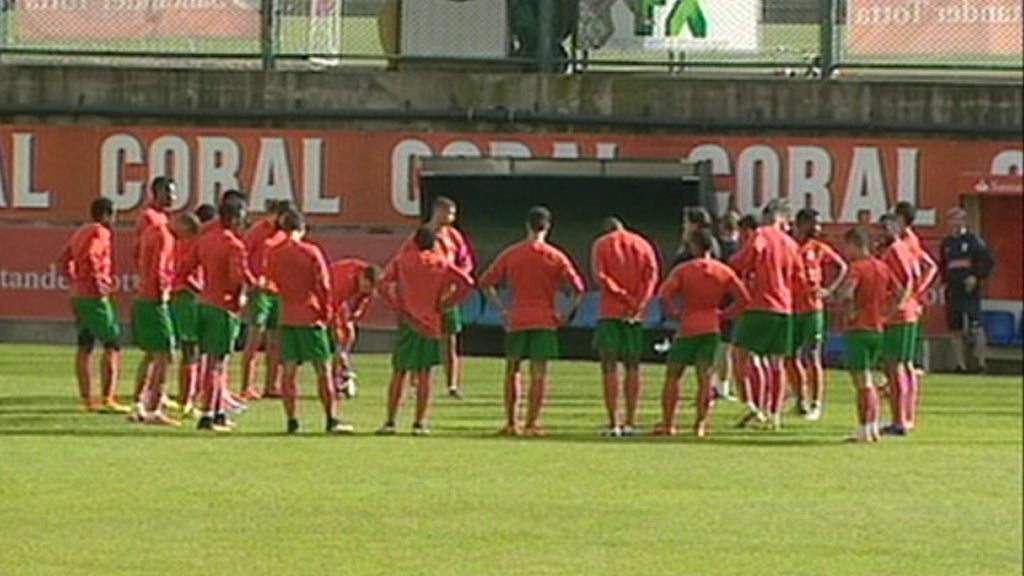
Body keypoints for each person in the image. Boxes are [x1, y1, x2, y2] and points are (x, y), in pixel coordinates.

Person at [480, 206, 586, 437]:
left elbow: (486, 282)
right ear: (548, 227)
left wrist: (502, 310)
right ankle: (532, 423)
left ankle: (511, 422)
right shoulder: (555, 256)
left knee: (512, 370)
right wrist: (567, 313)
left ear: (527, 225)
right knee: (539, 373)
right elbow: (579, 289)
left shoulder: (512, 253)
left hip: (518, 318)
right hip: (545, 320)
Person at [378, 227, 475, 436]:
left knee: (399, 372)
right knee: (425, 374)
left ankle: (390, 422)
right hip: (431, 322)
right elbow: (466, 282)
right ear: (433, 244)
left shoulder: (402, 261)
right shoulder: (440, 262)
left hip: (408, 321)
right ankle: (419, 423)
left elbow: (383, 283)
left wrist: (397, 305)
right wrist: (446, 303)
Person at [265, 210, 353, 435]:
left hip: (287, 314)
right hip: (310, 314)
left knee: (289, 371)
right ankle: (331, 418)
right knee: (322, 368)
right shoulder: (311, 251)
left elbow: (271, 281)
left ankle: (292, 420)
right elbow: (322, 285)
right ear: (302, 228)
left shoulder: (274, 253)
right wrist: (327, 311)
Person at [657, 229, 750, 438]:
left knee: (673, 375)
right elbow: (744, 298)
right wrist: (726, 314)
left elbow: (664, 295)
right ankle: (699, 425)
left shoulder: (684, 270)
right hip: (711, 326)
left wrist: (674, 313)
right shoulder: (723, 271)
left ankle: (669, 424)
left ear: (695, 246)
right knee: (705, 378)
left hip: (688, 325)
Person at [179, 196, 255, 432]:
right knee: (217, 363)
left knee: (212, 360)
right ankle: (208, 415)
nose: (244, 223)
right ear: (233, 218)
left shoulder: (205, 240)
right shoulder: (234, 245)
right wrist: (249, 288)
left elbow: (184, 270)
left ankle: (218, 412)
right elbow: (237, 278)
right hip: (223, 308)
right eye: (242, 218)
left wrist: (199, 290)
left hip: (203, 305)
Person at [730, 199, 804, 429]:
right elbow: (799, 278)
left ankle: (754, 405)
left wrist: (735, 266)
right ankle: (774, 414)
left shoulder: (762, 234)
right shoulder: (791, 244)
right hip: (785, 307)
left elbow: (748, 256)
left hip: (761, 304)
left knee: (745, 354)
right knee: (777, 362)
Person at [396, 196, 475, 399]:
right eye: (448, 213)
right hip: (423, 297)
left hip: (446, 295)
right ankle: (416, 380)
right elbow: (404, 262)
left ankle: (452, 385)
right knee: (419, 339)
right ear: (437, 211)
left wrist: (457, 277)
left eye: (453, 214)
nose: (451, 218)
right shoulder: (421, 236)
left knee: (450, 339)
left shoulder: (454, 236)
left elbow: (466, 261)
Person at [590, 217, 659, 437]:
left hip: (610, 311)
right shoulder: (643, 244)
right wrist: (639, 303)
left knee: (609, 366)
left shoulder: (601, 245)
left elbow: (601, 277)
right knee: (633, 366)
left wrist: (622, 296)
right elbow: (652, 276)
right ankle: (631, 421)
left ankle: (613, 422)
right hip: (635, 314)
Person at [58, 198, 128, 413]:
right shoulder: (100, 232)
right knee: (113, 343)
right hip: (93, 297)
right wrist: (97, 282)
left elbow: (64, 259)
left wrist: (75, 280)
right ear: (107, 214)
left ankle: (87, 399)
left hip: (78, 295)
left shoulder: (81, 231)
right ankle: (108, 398)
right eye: (114, 214)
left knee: (85, 344)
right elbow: (90, 256)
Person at [838, 227, 903, 443]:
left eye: (846, 246)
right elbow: (900, 293)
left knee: (862, 382)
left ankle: (864, 428)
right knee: (871, 380)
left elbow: (847, 294)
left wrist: (850, 313)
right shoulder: (883, 267)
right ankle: (873, 428)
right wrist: (888, 314)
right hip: (878, 329)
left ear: (855, 244)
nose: (845, 251)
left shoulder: (856, 268)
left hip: (859, 330)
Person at [789, 208, 848, 421]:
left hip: (813, 309)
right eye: (815, 224)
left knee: (812, 355)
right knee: (790, 356)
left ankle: (816, 402)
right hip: (791, 309)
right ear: (802, 224)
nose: (818, 228)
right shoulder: (789, 247)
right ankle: (799, 398)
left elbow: (841, 266)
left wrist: (829, 290)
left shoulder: (819, 248)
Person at [128, 212, 180, 426]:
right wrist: (162, 293)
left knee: (151, 353)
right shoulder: (165, 236)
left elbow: (136, 254)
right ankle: (154, 407)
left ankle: (139, 403)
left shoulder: (151, 232)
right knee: (166, 354)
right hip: (154, 299)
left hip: (142, 296)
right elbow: (159, 266)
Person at [893, 201, 939, 428]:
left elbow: (918, 271)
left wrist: (915, 290)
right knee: (906, 363)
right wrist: (919, 290)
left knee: (898, 365)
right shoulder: (913, 239)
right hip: (912, 306)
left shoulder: (903, 243)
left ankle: (901, 417)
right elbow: (930, 265)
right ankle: (908, 413)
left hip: (903, 308)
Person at [240, 200, 292, 400]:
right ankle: (247, 385)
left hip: (278, 291)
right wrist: (251, 281)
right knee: (255, 337)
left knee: (276, 341)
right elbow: (242, 255)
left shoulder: (284, 234)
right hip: (260, 291)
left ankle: (272, 385)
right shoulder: (258, 231)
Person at [939, 207, 995, 373]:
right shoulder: (947, 243)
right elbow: (943, 266)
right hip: (953, 289)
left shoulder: (973, 241)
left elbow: (988, 262)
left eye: (957, 219)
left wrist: (976, 276)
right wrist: (944, 283)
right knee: (954, 328)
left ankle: (981, 362)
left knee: (976, 325)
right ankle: (960, 365)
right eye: (951, 219)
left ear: (964, 221)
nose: (954, 223)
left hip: (969, 290)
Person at [878, 213, 919, 436]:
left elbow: (906, 281)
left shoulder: (894, 251)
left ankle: (899, 421)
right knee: (904, 366)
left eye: (884, 230)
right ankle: (907, 416)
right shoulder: (905, 248)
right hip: (909, 313)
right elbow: (919, 273)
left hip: (899, 317)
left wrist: (894, 309)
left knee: (894, 367)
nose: (880, 235)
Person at [328, 258, 382, 399]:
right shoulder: (344, 281)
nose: (368, 291)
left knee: (349, 334)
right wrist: (338, 332)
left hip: (340, 304)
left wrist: (351, 320)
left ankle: (342, 370)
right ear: (363, 278)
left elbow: (360, 303)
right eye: (368, 287)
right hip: (326, 298)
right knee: (337, 340)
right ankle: (334, 379)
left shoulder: (365, 285)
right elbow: (332, 306)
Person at [168, 212, 204, 418]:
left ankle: (187, 397)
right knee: (191, 349)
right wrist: (199, 290)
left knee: (189, 349)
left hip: (182, 297)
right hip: (187, 298)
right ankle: (187, 400)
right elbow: (184, 273)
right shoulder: (190, 245)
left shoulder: (181, 244)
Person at [714, 212, 742, 400]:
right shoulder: (741, 250)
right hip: (734, 301)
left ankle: (718, 383)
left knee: (719, 346)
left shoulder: (716, 250)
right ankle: (723, 385)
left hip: (715, 299)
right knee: (727, 347)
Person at [133, 177, 176, 261]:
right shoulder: (148, 216)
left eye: (174, 193)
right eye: (168, 192)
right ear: (157, 192)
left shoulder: (166, 216)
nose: (172, 197)